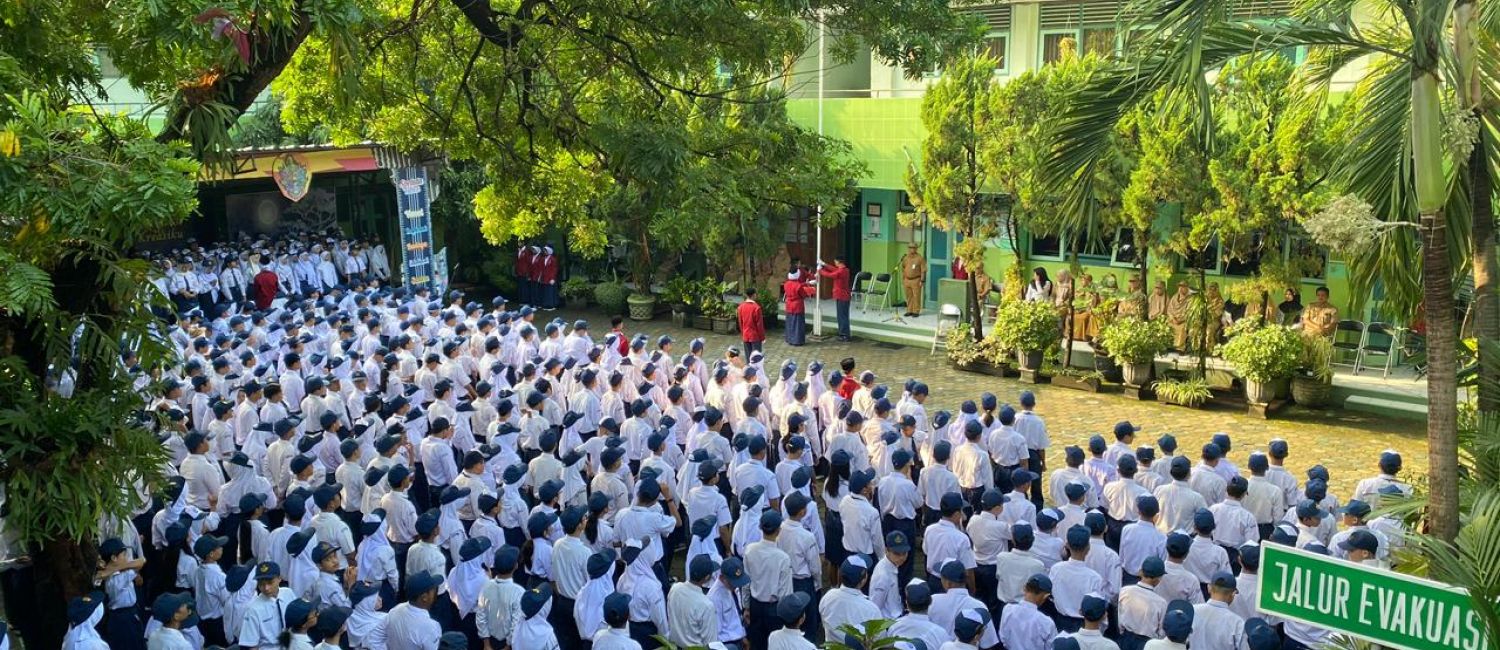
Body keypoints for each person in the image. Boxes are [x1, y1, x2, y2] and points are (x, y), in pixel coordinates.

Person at [818, 256, 854, 341]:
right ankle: (844, 333)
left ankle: (844, 335)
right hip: (843, 296)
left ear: (838, 262)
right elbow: (834, 269)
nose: (835, 263)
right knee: (842, 316)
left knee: (842, 316)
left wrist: (820, 270)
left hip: (842, 296)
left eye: (835, 261)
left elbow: (830, 274)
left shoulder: (841, 271)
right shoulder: (844, 269)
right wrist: (824, 264)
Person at [782, 270, 817, 346]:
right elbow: (803, 294)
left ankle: (789, 339)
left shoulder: (786, 284)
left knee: (790, 322)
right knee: (798, 324)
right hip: (797, 305)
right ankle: (797, 340)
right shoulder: (798, 285)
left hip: (789, 305)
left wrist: (806, 283)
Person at [899, 243, 926, 317]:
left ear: (916, 249)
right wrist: (904, 278)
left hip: (916, 280)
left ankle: (916, 311)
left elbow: (923, 270)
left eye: (913, 248)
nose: (912, 249)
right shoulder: (906, 258)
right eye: (910, 247)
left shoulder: (920, 258)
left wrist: (922, 280)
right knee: (908, 296)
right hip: (907, 280)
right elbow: (903, 268)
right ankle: (909, 310)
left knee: (916, 296)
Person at [737, 289, 766, 355]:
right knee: (756, 359)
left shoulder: (741, 307)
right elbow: (759, 325)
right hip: (755, 336)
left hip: (745, 335)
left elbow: (740, 323)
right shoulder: (756, 308)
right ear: (754, 295)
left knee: (748, 357)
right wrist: (762, 337)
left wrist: (743, 334)